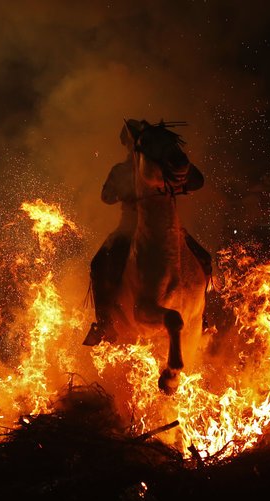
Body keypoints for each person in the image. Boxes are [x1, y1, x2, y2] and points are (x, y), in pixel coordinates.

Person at [83, 120, 212, 346]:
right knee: (100, 264)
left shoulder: (161, 164)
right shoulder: (120, 170)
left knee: (204, 258)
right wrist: (125, 190)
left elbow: (196, 181)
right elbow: (107, 197)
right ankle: (104, 323)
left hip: (168, 226)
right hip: (129, 228)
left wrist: (179, 175)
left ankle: (201, 314)